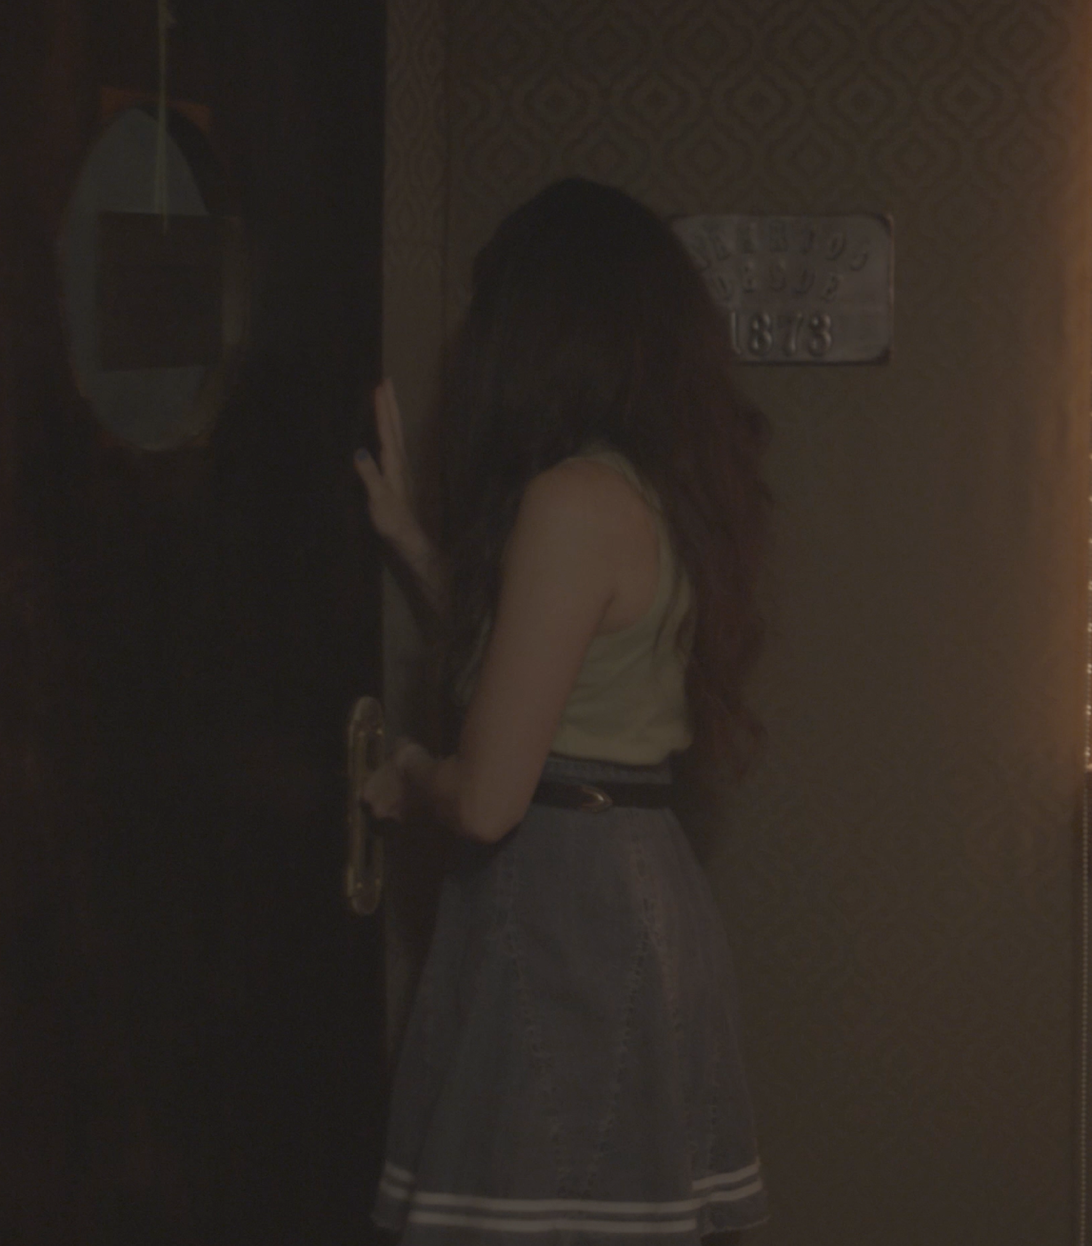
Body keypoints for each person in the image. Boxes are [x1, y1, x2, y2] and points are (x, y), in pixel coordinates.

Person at [356, 177, 773, 1244]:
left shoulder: (571, 500)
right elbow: (558, 663)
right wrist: (413, 542)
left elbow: (487, 800)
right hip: (631, 883)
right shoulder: (653, 487)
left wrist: (408, 772)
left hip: (565, 908)